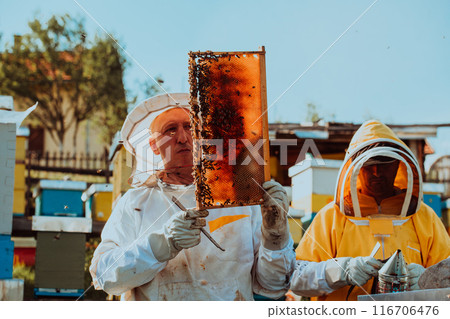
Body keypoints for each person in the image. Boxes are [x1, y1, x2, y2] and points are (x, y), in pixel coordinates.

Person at [89, 93, 295, 300]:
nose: (182, 138)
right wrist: (161, 244)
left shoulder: (240, 200)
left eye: (190, 127)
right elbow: (104, 276)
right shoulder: (135, 203)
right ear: (153, 145)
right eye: (170, 130)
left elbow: (273, 284)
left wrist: (275, 234)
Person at [290, 120, 450, 301]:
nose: (377, 172)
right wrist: (339, 271)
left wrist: (428, 279)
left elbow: (447, 273)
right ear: (356, 168)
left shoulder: (424, 216)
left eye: (385, 164)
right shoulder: (331, 217)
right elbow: (296, 278)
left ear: (398, 166)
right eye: (369, 164)